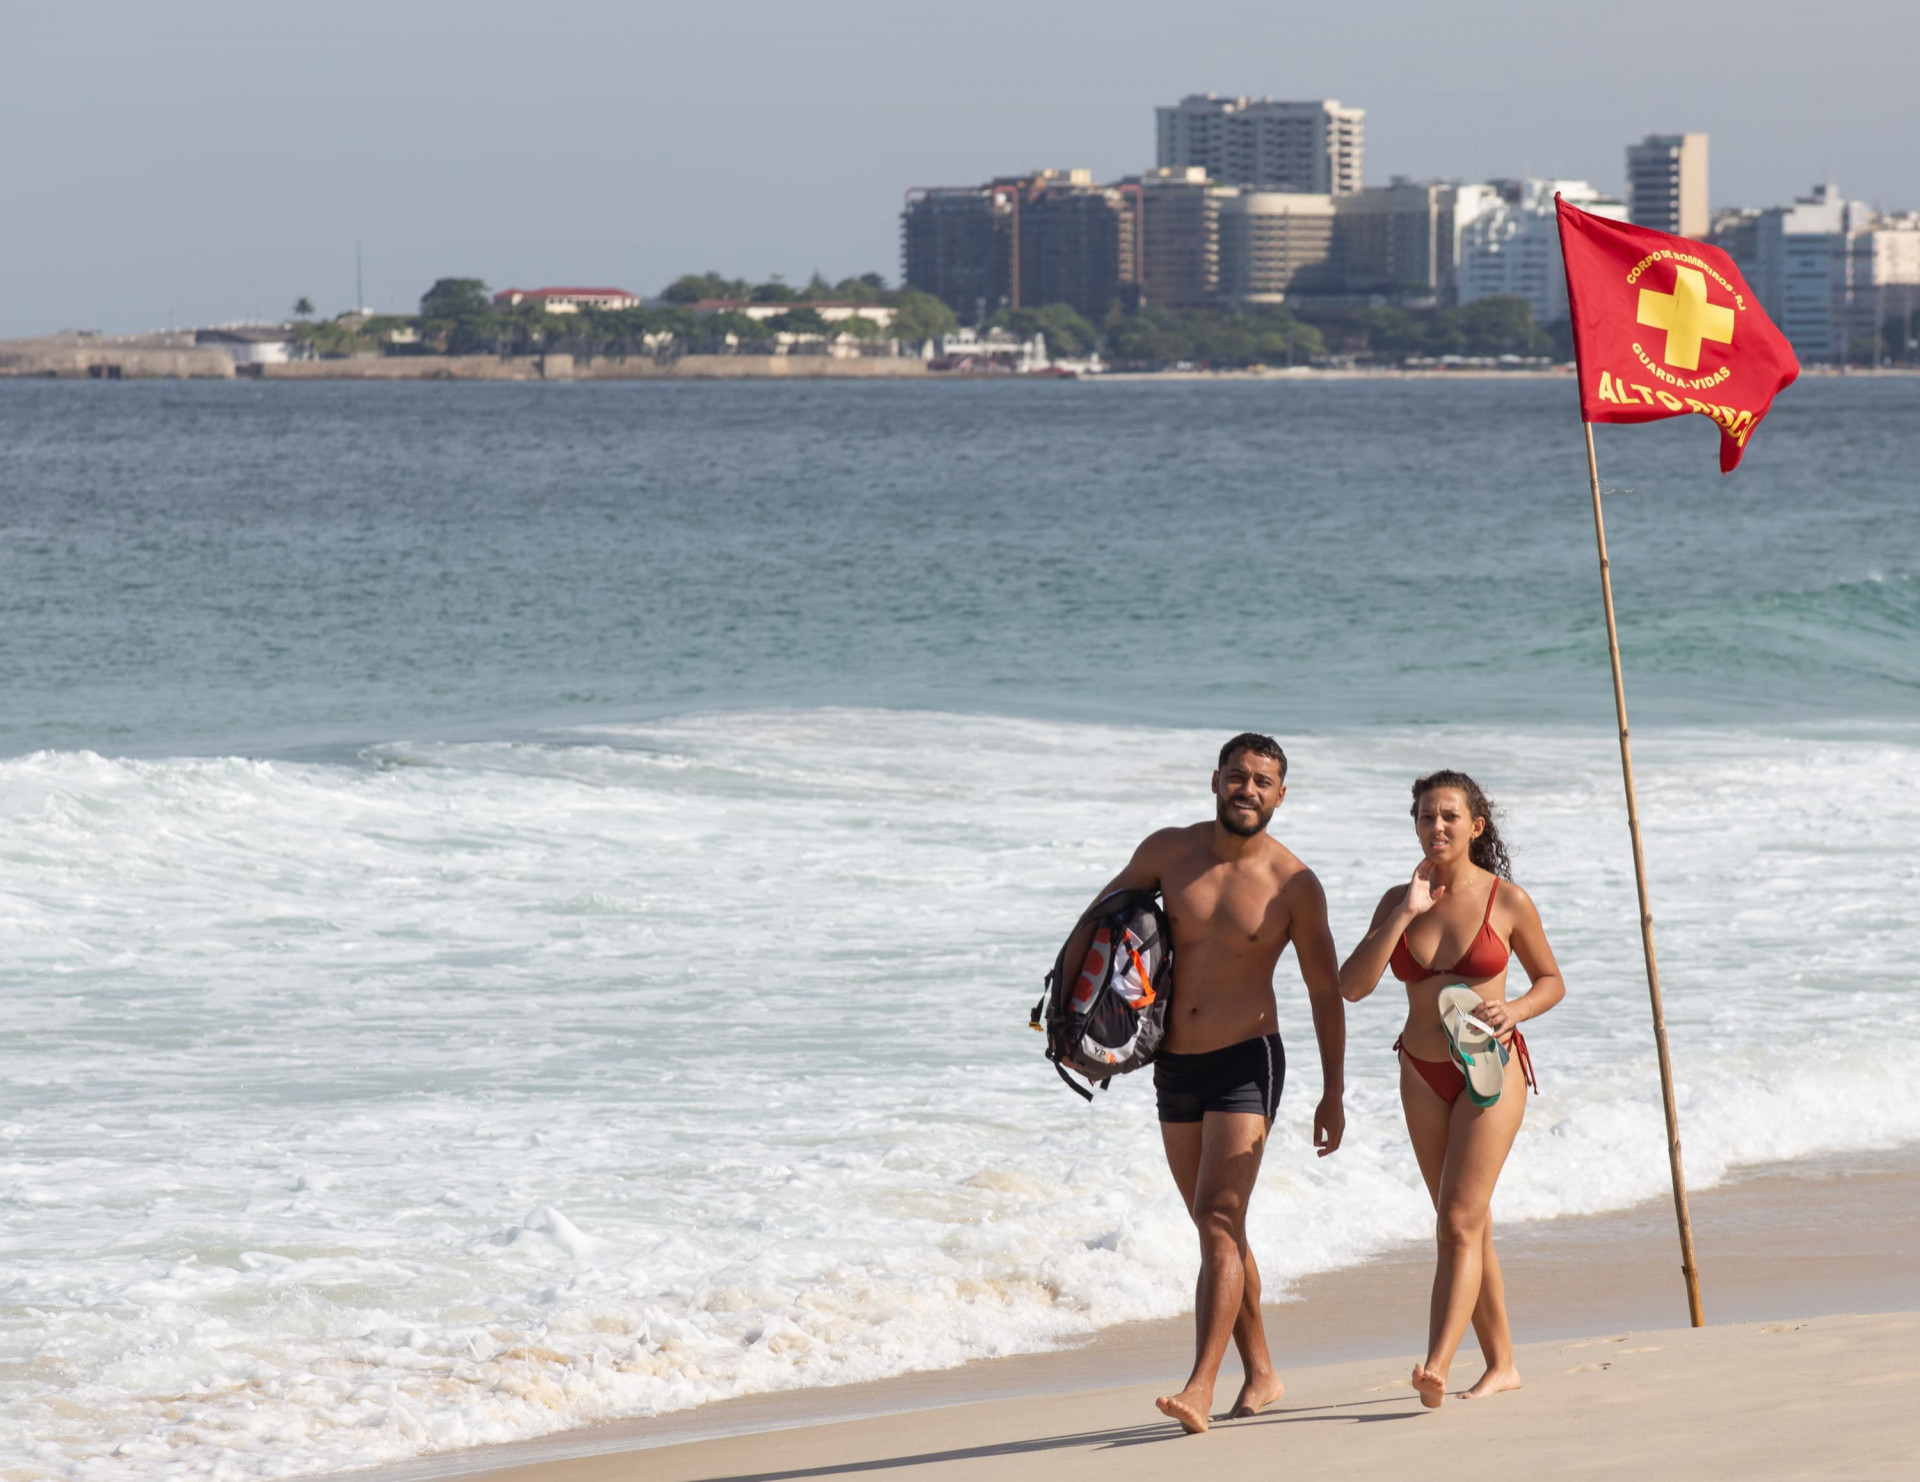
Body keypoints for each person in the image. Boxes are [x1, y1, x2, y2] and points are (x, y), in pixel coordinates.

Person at [1074, 733, 1346, 1433]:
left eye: (1262, 781)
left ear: (1281, 795)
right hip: (1174, 1063)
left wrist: (1333, 1092)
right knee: (1214, 1226)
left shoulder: (1294, 885)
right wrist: (1066, 1022)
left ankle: (1200, 1385)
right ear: (1215, 781)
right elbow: (1096, 925)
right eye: (1237, 777)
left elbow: (1324, 993)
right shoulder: (1168, 852)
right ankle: (1263, 1371)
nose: (1247, 790)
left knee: (1220, 1219)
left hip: (1246, 1061)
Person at [1338, 770, 1566, 1408]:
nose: (1435, 827)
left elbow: (1551, 979)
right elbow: (1351, 985)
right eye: (1424, 817)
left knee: (1459, 1218)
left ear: (1475, 826)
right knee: (1467, 1222)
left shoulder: (1506, 900)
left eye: (1448, 816)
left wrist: (1515, 1009)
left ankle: (1437, 1362)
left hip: (1490, 1070)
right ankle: (1503, 1366)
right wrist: (1404, 914)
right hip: (1420, 1069)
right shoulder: (1398, 899)